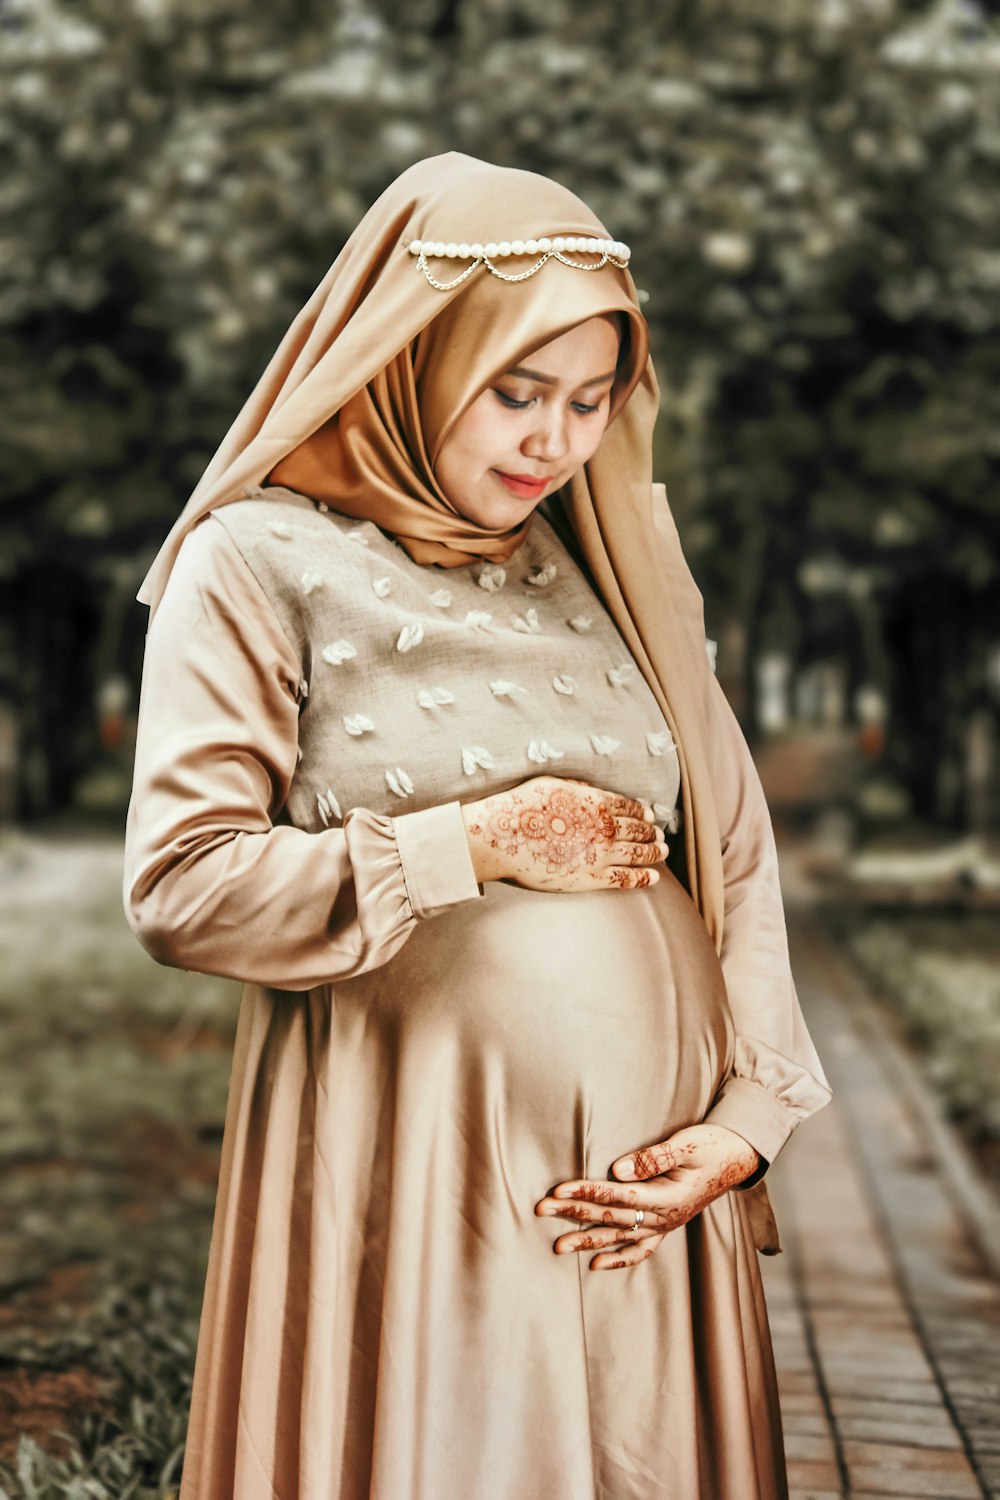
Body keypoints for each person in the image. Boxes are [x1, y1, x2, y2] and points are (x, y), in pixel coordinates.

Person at [124, 152, 832, 1500]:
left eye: (587, 401)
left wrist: (746, 1123)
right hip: (415, 1173)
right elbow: (182, 886)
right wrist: (474, 843)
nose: (552, 444)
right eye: (515, 393)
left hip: (657, 1210)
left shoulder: (604, 555)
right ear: (411, 358)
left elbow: (730, 850)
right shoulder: (256, 563)